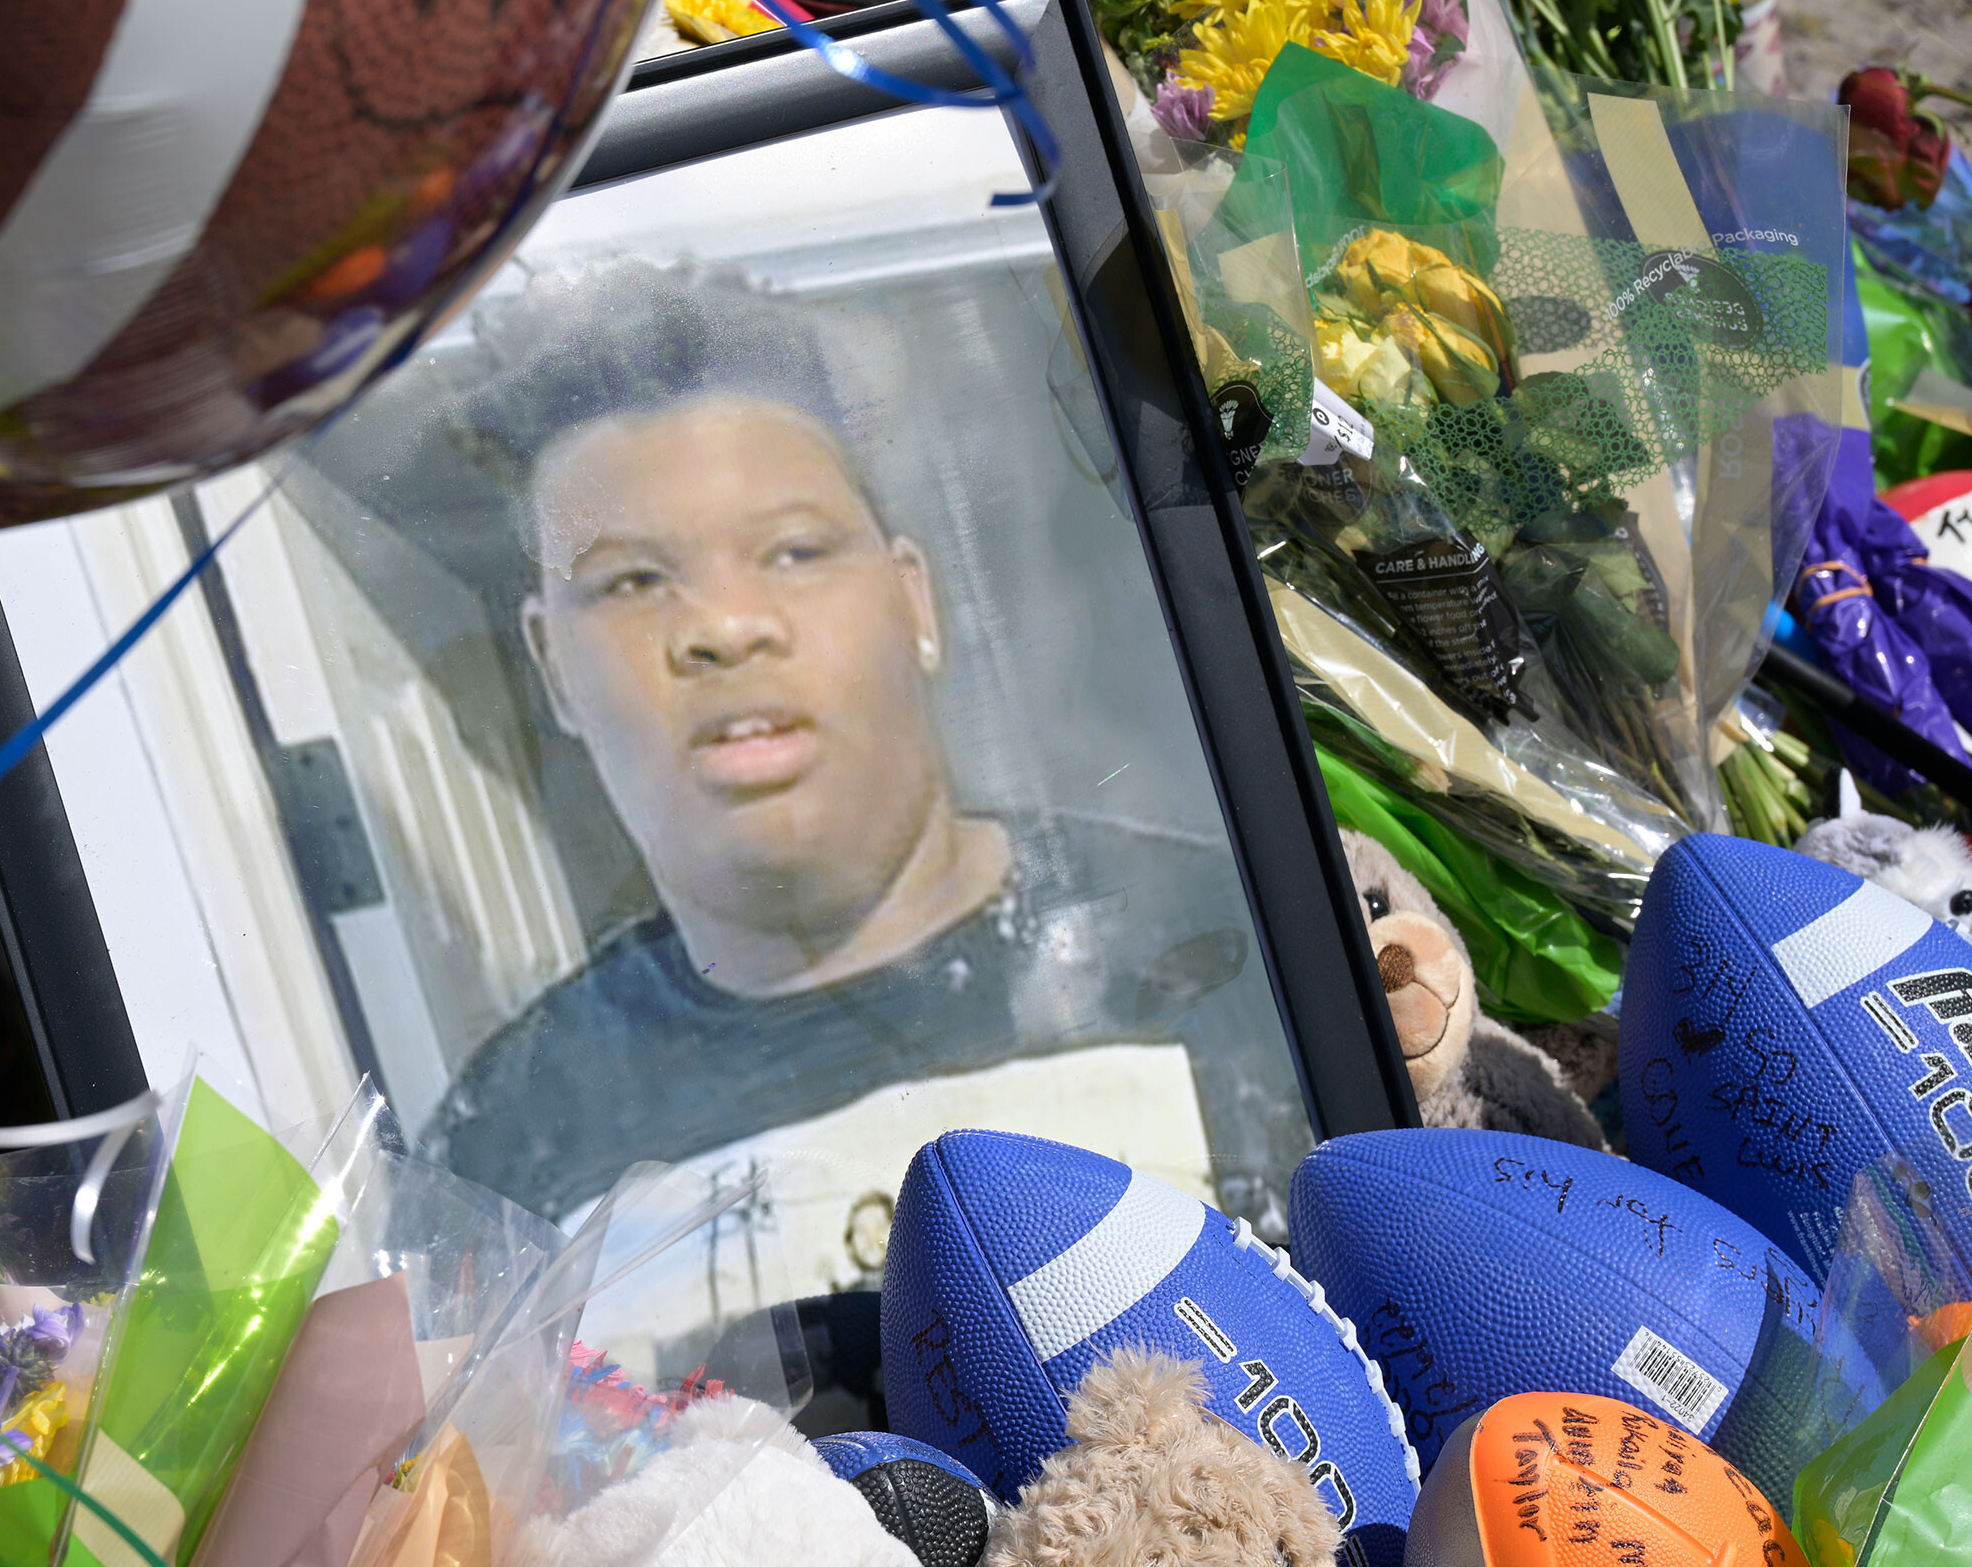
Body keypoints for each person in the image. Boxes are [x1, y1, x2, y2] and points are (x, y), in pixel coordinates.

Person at [417, 260, 1306, 1303]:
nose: (723, 626)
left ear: (914, 599)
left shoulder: (1232, 945)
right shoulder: (506, 1149)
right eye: (631, 581)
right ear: (550, 663)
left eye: (794, 551)